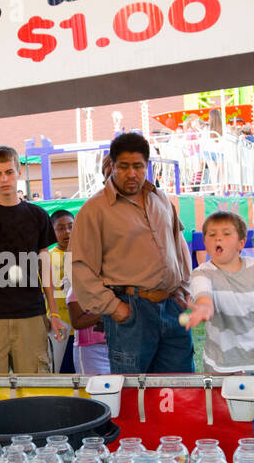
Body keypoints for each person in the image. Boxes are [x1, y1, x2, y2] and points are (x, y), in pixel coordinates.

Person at [69, 131, 193, 373]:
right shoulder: (95, 209)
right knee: (132, 393)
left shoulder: (162, 199)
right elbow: (81, 267)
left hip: (172, 306)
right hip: (130, 310)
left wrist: (182, 291)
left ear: (147, 166)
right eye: (124, 166)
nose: (131, 173)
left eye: (138, 166)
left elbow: (178, 246)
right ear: (112, 166)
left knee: (180, 389)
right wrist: (116, 309)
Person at [0, 146, 67, 374]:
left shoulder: (37, 215)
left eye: (9, 172)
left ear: (19, 172)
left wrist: (55, 313)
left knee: (35, 390)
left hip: (31, 316)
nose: (4, 179)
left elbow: (44, 267)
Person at [182, 211, 254, 373]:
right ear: (205, 243)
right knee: (218, 399)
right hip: (219, 365)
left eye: (226, 233)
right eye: (212, 234)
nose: (218, 238)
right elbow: (204, 298)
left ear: (241, 243)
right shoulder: (201, 273)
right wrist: (203, 309)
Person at [48, 209, 75, 373]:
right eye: (61, 228)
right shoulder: (48, 257)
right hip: (58, 328)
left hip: (83, 329)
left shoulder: (86, 254)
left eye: (71, 227)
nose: (67, 232)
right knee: (59, 372)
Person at [66, 285, 110, 374]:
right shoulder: (77, 289)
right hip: (90, 351)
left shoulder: (117, 285)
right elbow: (77, 322)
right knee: (91, 386)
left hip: (116, 349)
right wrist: (105, 312)